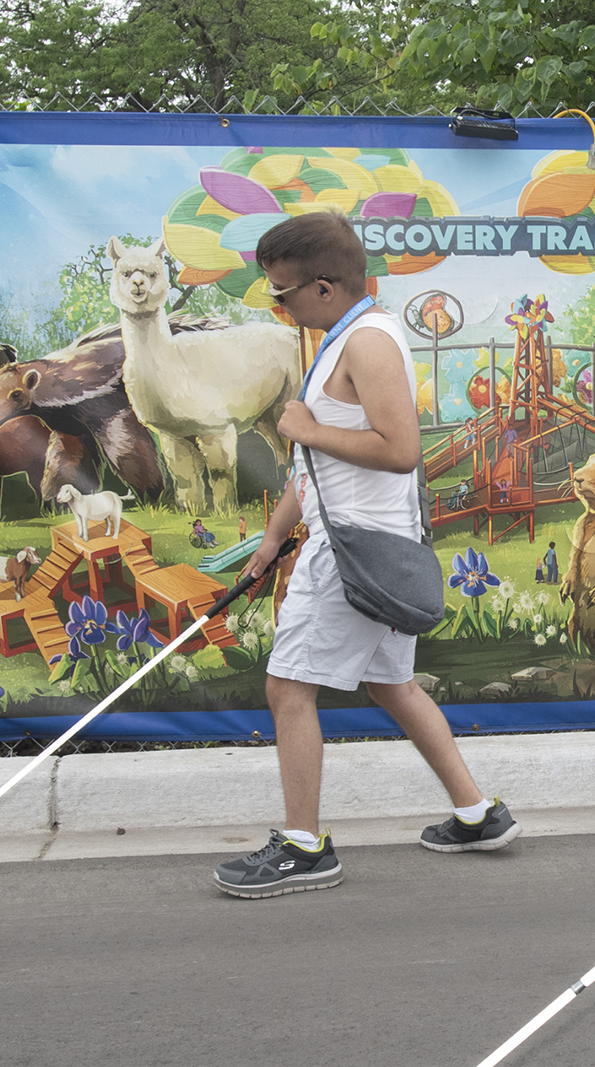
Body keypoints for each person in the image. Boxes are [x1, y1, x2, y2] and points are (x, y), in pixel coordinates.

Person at [214, 211, 517, 899]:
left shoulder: (369, 343)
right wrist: (272, 538)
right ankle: (478, 814)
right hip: (370, 548)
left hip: (353, 552)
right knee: (392, 686)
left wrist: (306, 430)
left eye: (282, 293)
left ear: (323, 288)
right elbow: (314, 469)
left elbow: (400, 450)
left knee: (288, 688)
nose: (278, 306)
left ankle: (303, 847)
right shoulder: (344, 339)